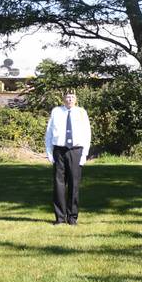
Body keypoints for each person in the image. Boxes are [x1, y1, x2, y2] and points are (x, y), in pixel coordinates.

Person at [45, 91, 91, 226]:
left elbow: (87, 134)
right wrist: (49, 152)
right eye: (67, 97)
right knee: (58, 185)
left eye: (72, 97)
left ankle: (72, 217)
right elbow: (48, 133)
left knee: (74, 185)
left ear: (76, 99)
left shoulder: (81, 112)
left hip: (75, 151)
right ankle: (59, 218)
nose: (69, 99)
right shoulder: (56, 111)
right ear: (63, 99)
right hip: (59, 151)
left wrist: (84, 155)